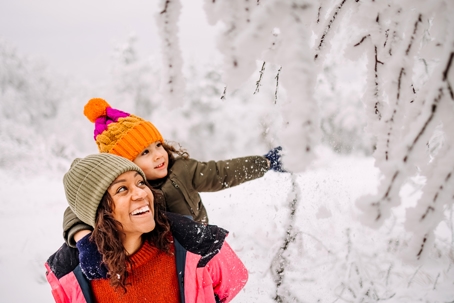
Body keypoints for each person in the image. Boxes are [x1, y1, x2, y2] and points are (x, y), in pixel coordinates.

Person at [64, 98, 285, 247]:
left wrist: (264, 162)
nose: (159, 155)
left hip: (196, 246)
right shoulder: (123, 190)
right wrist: (82, 238)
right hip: (156, 256)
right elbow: (78, 206)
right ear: (126, 164)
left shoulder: (182, 170)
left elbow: (221, 173)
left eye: (158, 145)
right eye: (145, 152)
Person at [45, 153, 248, 303]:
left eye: (141, 183)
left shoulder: (194, 242)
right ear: (99, 211)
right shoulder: (70, 273)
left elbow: (235, 280)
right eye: (122, 189)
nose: (141, 194)